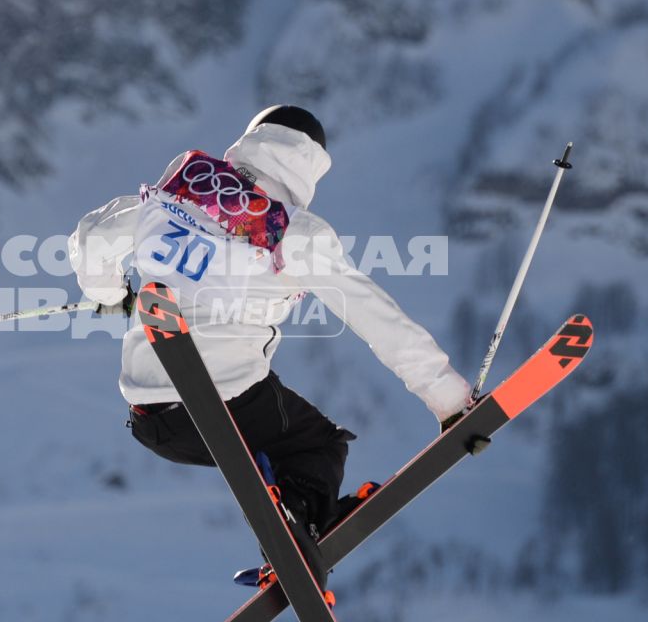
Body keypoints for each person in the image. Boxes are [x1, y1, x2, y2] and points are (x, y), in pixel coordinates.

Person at [68, 105, 475, 553]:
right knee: (317, 447)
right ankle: (298, 521)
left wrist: (109, 293)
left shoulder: (179, 187)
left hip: (148, 415)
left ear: (250, 139)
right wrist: (448, 398)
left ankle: (299, 519)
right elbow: (373, 314)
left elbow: (91, 235)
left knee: (288, 444)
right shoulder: (295, 232)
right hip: (226, 400)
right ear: (311, 166)